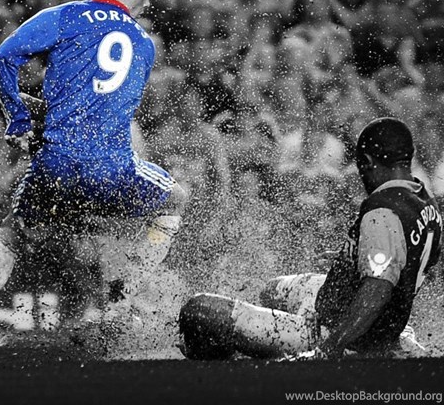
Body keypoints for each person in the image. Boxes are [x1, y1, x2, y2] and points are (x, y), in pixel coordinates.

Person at [0, 0, 184, 347]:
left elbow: (4, 57)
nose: (149, 1)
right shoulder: (144, 45)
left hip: (55, 164)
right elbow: (105, 108)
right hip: (110, 169)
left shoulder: (66, 15)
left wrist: (20, 118)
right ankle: (120, 306)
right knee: (175, 199)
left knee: (14, 232)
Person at [179, 117, 442, 360]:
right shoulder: (424, 200)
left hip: (338, 333)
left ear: (367, 162)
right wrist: (357, 258)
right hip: (370, 321)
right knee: (271, 290)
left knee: (199, 310)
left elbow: (377, 290)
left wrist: (329, 348)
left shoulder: (382, 211)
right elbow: (411, 260)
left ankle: (237, 364)